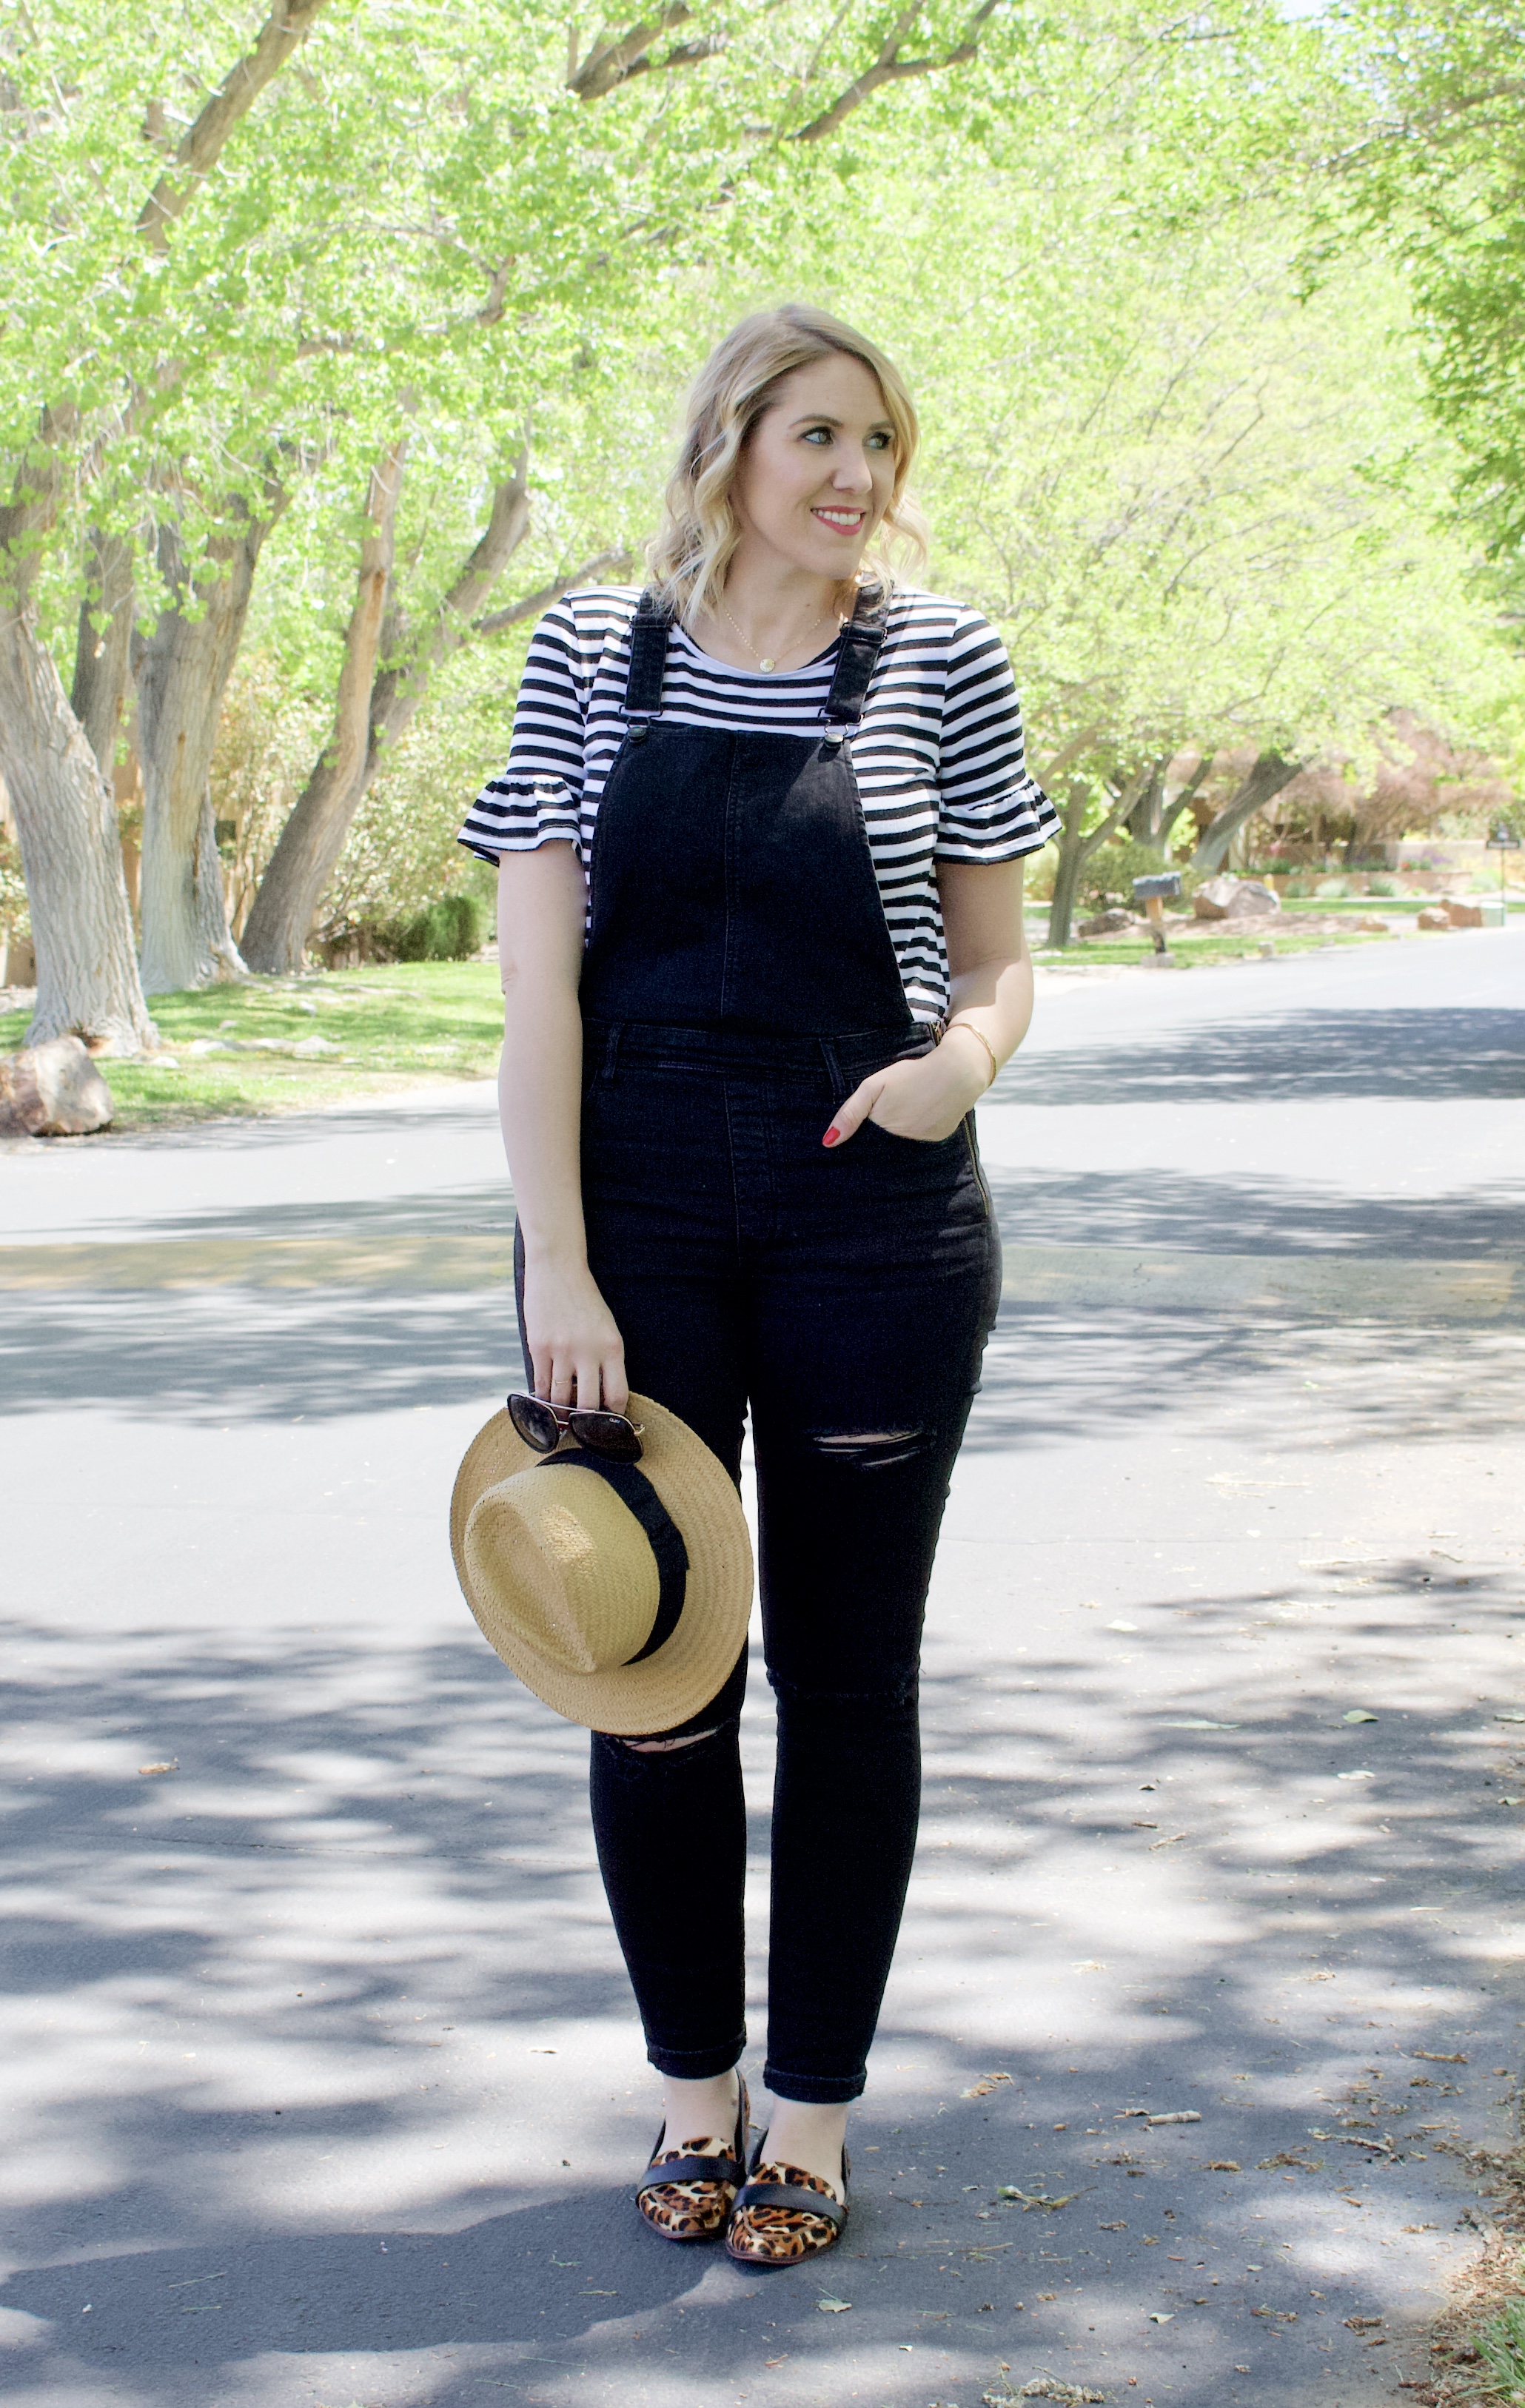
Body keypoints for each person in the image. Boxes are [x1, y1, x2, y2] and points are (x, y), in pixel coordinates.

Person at [458, 303, 1056, 2267]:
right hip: (624, 1212)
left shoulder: (940, 660)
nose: (858, 479)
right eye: (819, 436)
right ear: (727, 445)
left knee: (848, 1679)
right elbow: (535, 987)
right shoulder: (582, 652)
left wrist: (949, 1076)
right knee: (648, 1674)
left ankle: (808, 2115)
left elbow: (995, 965)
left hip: (869, 1211)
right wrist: (557, 1254)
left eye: (880, 442)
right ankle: (692, 2090)